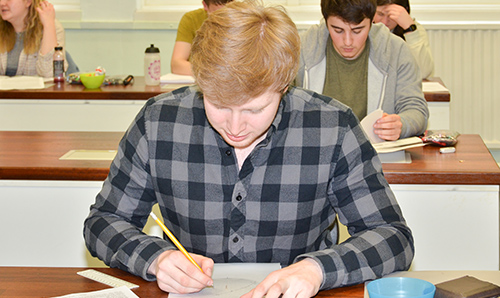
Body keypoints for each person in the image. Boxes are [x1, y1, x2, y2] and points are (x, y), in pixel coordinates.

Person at [84, 1, 414, 297]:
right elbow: (104, 222)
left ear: (284, 85)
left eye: (254, 110)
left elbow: (392, 237)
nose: (235, 127)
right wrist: (157, 258)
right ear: (201, 82)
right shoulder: (159, 121)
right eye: (219, 105)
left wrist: (317, 270)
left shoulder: (332, 127)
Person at [295, 0, 429, 141]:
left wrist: (402, 124)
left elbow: (417, 110)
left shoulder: (395, 50)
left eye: (357, 30)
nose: (348, 41)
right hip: (317, 151)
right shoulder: (301, 49)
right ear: (326, 22)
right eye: (338, 30)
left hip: (376, 156)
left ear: (372, 22)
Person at [0, 0, 66, 78]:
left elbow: (51, 74)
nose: (2, 3)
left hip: (37, 90)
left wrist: (48, 25)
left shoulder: (51, 26)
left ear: (28, 2)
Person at [373, 0, 434, 79]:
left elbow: (423, 73)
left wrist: (409, 29)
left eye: (391, 15)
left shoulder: (415, 30)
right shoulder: (361, 29)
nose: (385, 22)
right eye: (380, 14)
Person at [170, 0, 233, 76]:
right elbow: (176, 65)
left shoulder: (245, 19)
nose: (221, 20)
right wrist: (213, 73)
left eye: (227, 13)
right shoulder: (191, 19)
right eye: (217, 15)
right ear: (205, 5)